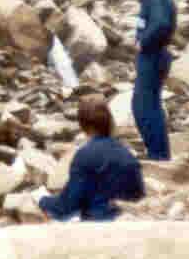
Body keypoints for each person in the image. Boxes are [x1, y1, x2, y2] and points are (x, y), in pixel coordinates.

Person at [39, 94, 145, 222]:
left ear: (83, 126)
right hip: (130, 220)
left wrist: (41, 201)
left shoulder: (84, 156)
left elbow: (66, 206)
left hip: (100, 226)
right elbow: (139, 195)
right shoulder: (127, 153)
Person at [129, 0, 177, 161]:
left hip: (153, 55)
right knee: (148, 104)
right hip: (155, 55)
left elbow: (161, 24)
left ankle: (158, 155)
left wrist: (143, 43)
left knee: (144, 105)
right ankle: (158, 152)